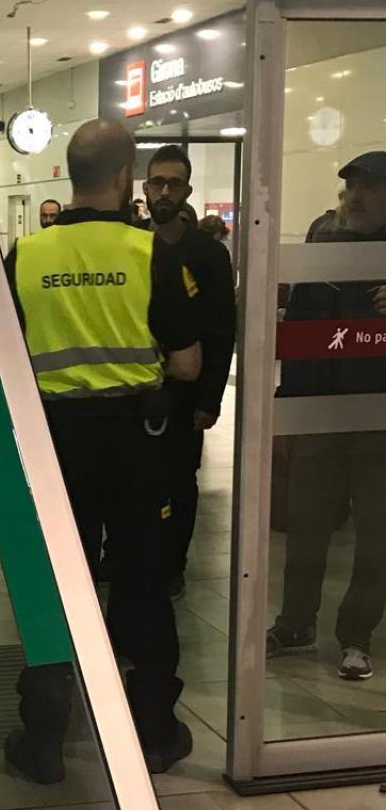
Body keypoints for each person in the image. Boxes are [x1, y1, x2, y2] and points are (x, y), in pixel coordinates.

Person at [4, 118, 201, 781]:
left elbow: (3, 353)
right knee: (143, 581)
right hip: (138, 442)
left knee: (58, 585)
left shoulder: (26, 255)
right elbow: (187, 364)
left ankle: (44, 739)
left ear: (69, 173)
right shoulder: (153, 255)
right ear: (124, 177)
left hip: (53, 444)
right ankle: (154, 733)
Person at [267, 151, 386, 681]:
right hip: (320, 415)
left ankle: (356, 635)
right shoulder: (324, 251)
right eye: (352, 186)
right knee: (305, 530)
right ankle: (295, 624)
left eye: (370, 187)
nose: (356, 196)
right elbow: (298, 337)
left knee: (377, 540)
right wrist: (287, 411)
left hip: (378, 422)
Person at [144, 146, 236, 598]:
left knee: (180, 479)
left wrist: (210, 398)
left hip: (186, 391)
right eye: (158, 182)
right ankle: (129, 556)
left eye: (174, 183)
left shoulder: (208, 254)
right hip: (137, 388)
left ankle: (171, 563)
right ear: (145, 188)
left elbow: (222, 330)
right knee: (137, 478)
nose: (165, 191)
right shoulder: (130, 245)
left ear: (187, 190)